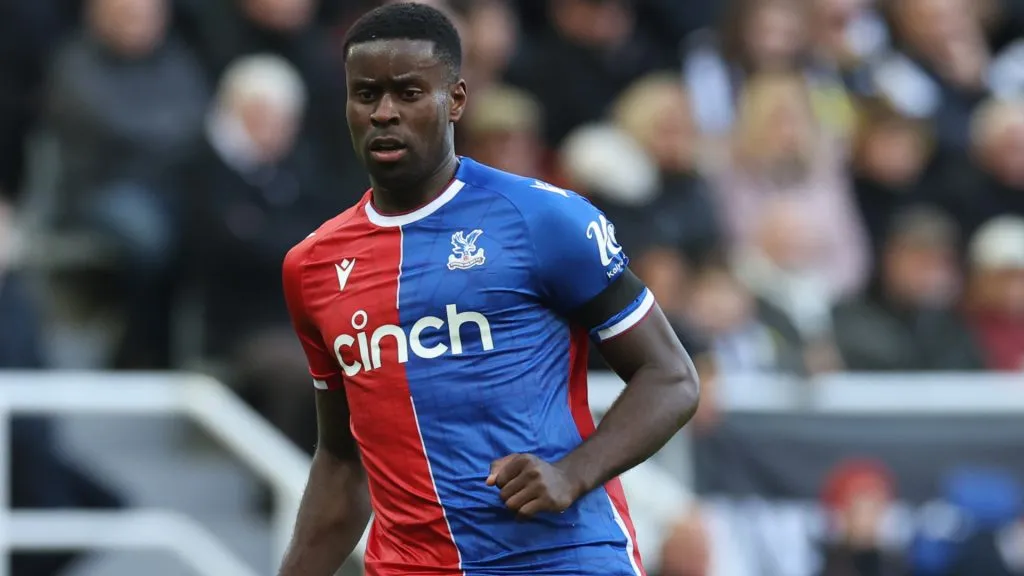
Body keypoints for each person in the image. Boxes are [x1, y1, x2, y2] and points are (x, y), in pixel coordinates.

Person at [277, 4, 700, 576]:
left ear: (455, 99)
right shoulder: (313, 266)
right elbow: (342, 460)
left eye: (407, 93)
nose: (383, 113)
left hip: (559, 559)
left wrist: (571, 473)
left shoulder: (543, 220)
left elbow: (671, 377)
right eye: (365, 94)